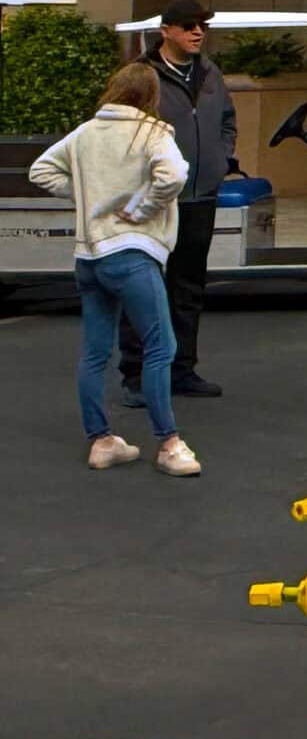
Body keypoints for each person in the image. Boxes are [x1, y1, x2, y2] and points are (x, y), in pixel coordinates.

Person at [30, 61, 203, 475]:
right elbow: (175, 175)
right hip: (132, 252)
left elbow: (41, 170)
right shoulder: (153, 132)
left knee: (94, 352)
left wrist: (90, 198)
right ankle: (169, 444)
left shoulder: (86, 132)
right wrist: (140, 208)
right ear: (150, 97)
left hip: (88, 257)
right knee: (161, 347)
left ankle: (102, 441)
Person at [119, 0, 237, 404]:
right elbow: (121, 130)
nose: (197, 32)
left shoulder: (210, 74)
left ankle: (181, 369)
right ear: (165, 30)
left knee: (188, 287)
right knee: (144, 284)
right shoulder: (142, 75)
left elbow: (226, 120)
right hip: (155, 199)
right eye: (188, 26)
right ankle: (136, 374)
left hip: (200, 196)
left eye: (202, 25)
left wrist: (220, 161)